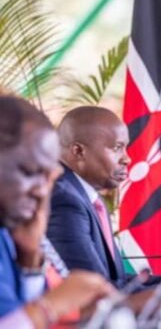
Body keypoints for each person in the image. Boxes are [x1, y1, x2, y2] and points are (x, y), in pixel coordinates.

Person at [0, 95, 113, 328]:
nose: (42, 192)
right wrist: (51, 306)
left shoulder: (10, 233)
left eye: (47, 177)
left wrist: (29, 260)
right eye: (30, 172)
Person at [47, 106, 132, 288]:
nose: (127, 159)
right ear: (78, 151)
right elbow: (93, 291)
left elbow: (118, 280)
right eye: (117, 148)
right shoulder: (64, 200)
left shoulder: (88, 197)